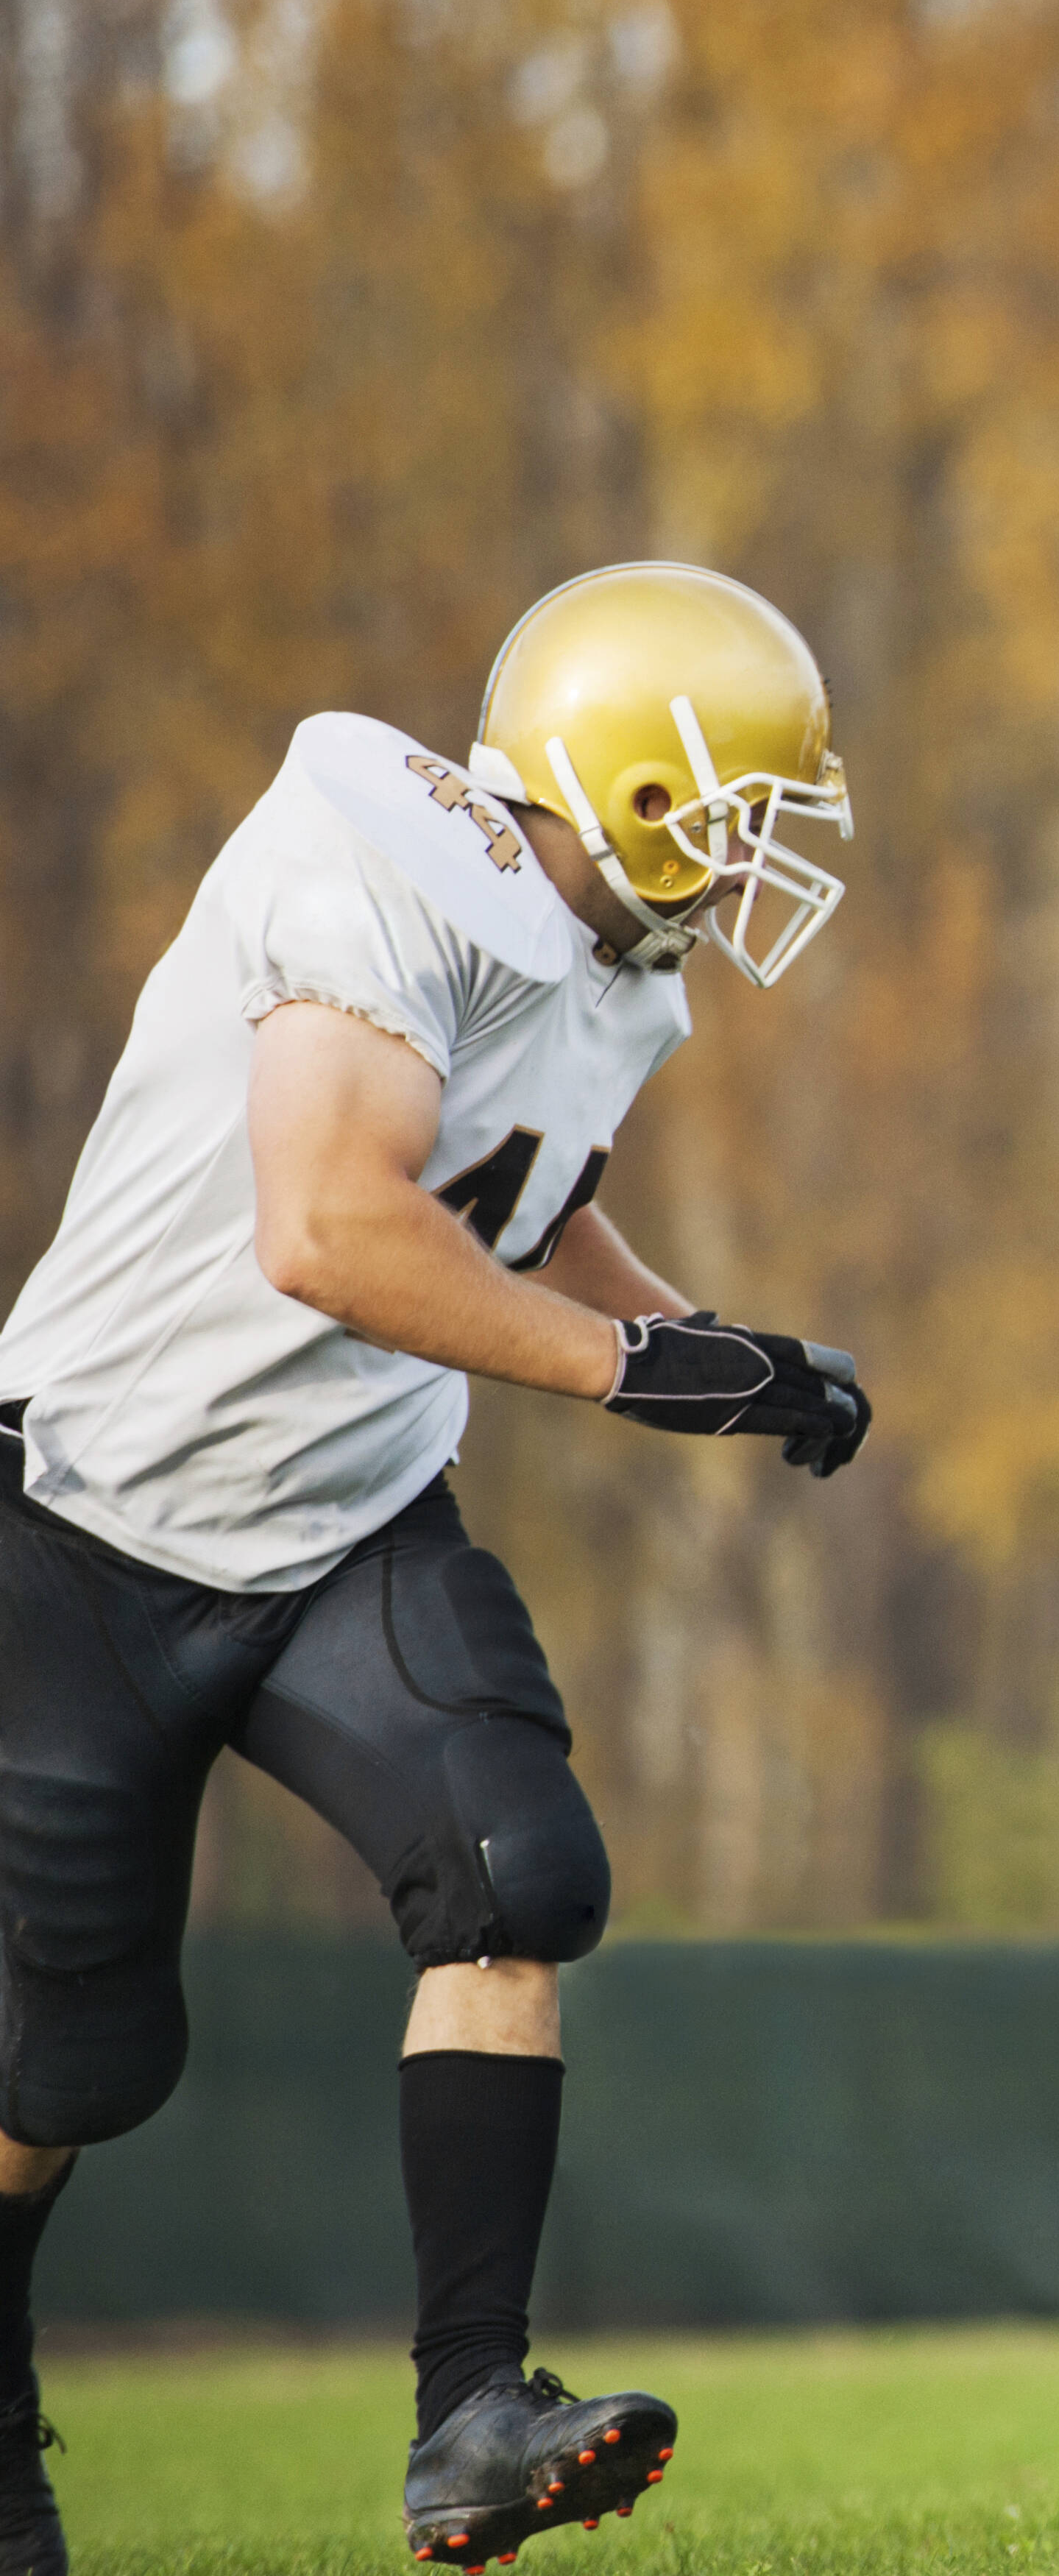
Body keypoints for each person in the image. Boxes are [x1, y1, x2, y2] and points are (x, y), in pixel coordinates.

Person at [0, 565, 873, 2575]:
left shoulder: (614, 967)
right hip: (90, 1521)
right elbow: (331, 1222)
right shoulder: (378, 861)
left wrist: (716, 1354)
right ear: (635, 787)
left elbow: (508, 1204)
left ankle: (473, 2415)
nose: (766, 862)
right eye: (747, 812)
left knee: (515, 1880)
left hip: (348, 1518)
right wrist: (636, 1371)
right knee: (68, 2067)